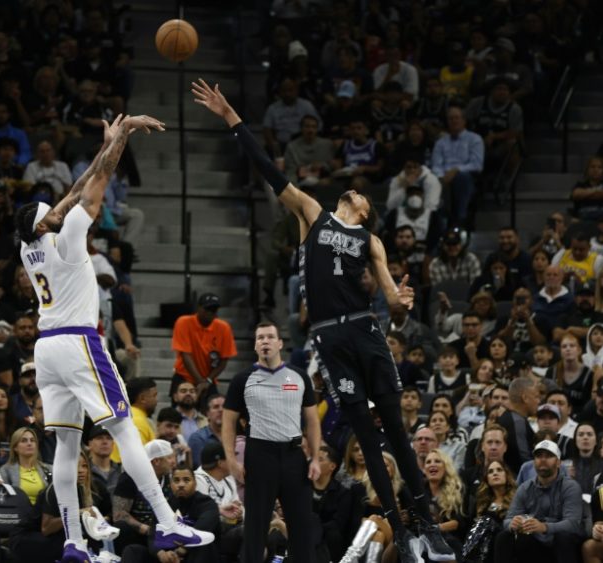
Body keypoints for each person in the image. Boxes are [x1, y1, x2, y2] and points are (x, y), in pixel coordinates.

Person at [193, 76, 454, 563]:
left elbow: (395, 306)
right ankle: (399, 523)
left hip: (365, 328)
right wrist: (232, 118)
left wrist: (402, 304)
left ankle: (426, 522)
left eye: (362, 198)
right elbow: (270, 171)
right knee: (363, 431)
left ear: (363, 211)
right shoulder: (312, 213)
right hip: (329, 338)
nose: (355, 193)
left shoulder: (370, 241)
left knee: (395, 426)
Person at [16, 113, 212, 561]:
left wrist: (105, 144)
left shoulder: (31, 245)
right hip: (78, 341)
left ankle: (72, 542)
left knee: (67, 445)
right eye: (53, 212)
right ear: (49, 223)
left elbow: (73, 192)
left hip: (46, 348)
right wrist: (121, 138)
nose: (60, 208)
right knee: (123, 428)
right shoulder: (67, 238)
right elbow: (97, 182)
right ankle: (166, 523)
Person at [221, 321, 321, 563]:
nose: (265, 341)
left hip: (293, 454)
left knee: (301, 525)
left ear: (280, 343)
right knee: (255, 525)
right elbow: (228, 423)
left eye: (269, 337)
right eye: (260, 338)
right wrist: (232, 460)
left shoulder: (299, 377)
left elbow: (312, 420)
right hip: (260, 454)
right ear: (256, 345)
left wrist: (316, 457)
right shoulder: (242, 379)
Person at [495, 440, 584, 563]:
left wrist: (544, 527)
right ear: (533, 462)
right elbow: (507, 520)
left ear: (558, 463)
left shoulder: (570, 487)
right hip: (535, 541)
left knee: (563, 537)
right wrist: (513, 524)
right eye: (539, 456)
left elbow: (573, 524)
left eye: (548, 456)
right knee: (504, 536)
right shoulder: (525, 488)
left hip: (561, 542)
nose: (542, 459)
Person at [121, 464, 221, 563]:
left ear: (195, 484)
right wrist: (160, 554)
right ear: (171, 485)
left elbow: (200, 531)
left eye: (186, 480)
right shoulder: (164, 505)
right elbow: (153, 536)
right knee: (132, 550)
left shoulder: (207, 503)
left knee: (203, 543)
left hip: (193, 553)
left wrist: (181, 551)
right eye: (176, 480)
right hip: (169, 555)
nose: (181, 484)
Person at [170, 293, 237, 405]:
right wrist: (200, 381)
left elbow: (224, 359)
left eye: (214, 309)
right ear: (198, 308)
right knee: (177, 415)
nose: (210, 312)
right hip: (184, 377)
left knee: (214, 412)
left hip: (208, 379)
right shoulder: (183, 322)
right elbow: (185, 355)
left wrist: (207, 381)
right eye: (207, 308)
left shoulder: (224, 328)